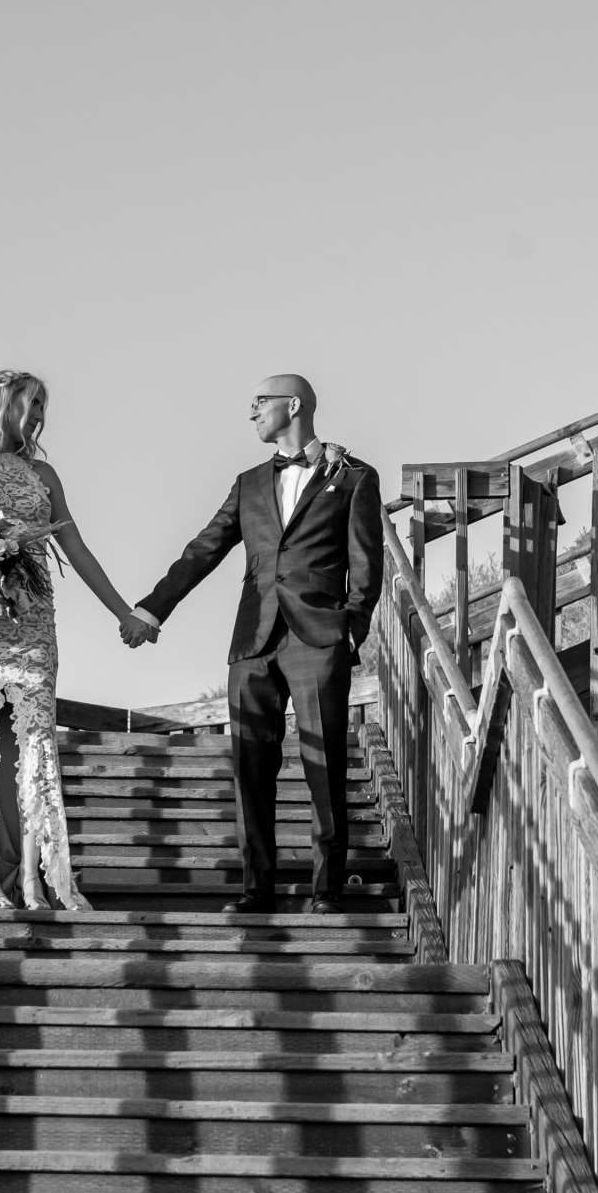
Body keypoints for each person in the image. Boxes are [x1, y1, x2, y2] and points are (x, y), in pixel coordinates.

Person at [127, 374, 380, 913]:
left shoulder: (353, 476)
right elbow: (204, 549)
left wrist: (349, 628)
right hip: (254, 640)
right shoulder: (246, 484)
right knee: (250, 767)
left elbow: (366, 564)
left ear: (293, 405)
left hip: (319, 637)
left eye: (259, 403)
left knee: (325, 765)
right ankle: (256, 889)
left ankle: (327, 890)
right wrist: (152, 608)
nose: (251, 414)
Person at [0, 370, 152, 911]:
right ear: (0, 406)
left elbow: (75, 548)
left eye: (42, 409)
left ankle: (34, 881)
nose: (38, 418)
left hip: (33, 624)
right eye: (30, 405)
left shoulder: (44, 474)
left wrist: (125, 612)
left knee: (34, 746)